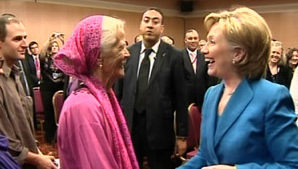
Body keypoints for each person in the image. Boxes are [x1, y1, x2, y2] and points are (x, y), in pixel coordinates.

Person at [178, 7, 298, 169]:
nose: (204, 49)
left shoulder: (273, 97)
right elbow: (205, 155)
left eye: (212, 42)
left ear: (238, 53)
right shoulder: (211, 95)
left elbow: (291, 165)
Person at [55, 15, 138, 169]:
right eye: (120, 47)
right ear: (99, 56)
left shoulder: (102, 96)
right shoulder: (83, 106)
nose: (127, 54)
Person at [115, 7, 188, 169]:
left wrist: (182, 136)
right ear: (140, 25)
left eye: (155, 22)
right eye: (146, 20)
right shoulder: (129, 54)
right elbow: (118, 93)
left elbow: (182, 99)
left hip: (160, 129)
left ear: (162, 28)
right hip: (130, 128)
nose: (150, 25)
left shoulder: (174, 56)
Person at [0, 15, 57, 169]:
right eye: (17, 39)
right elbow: (4, 139)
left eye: (25, 37)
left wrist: (38, 153)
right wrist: (36, 159)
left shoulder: (16, 74)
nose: (25, 44)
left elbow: (24, 126)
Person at [182, 29, 218, 109]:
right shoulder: (179, 56)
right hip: (185, 100)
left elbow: (210, 78)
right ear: (185, 40)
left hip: (203, 100)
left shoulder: (204, 55)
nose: (193, 41)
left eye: (195, 38)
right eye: (190, 38)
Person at [39, 39, 65, 144]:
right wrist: (50, 40)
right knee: (49, 112)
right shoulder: (45, 59)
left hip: (60, 86)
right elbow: (42, 52)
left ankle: (61, 136)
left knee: (61, 112)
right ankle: (50, 137)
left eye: (56, 46)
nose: (54, 47)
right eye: (52, 46)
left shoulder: (62, 59)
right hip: (47, 87)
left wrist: (62, 41)